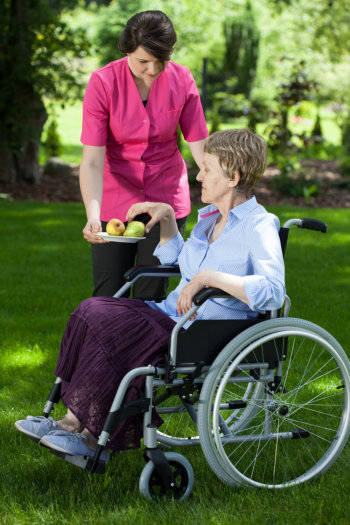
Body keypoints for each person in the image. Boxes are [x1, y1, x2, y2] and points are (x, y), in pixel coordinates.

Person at [15, 129, 285, 460]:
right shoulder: (209, 220)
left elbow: (272, 292)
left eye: (208, 169)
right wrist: (169, 220)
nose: (198, 175)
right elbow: (181, 264)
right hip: (169, 316)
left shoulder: (259, 226)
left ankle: (88, 439)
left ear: (234, 177)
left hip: (202, 332)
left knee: (112, 325)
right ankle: (70, 421)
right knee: (92, 311)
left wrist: (208, 277)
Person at [80, 10, 208, 299]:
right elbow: (91, 161)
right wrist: (93, 214)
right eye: (143, 61)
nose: (153, 69)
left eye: (161, 61)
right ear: (127, 51)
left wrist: (223, 187)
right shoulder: (103, 83)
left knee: (152, 294)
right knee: (109, 294)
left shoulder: (182, 80)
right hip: (113, 200)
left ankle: (148, 346)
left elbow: (200, 145)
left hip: (165, 199)